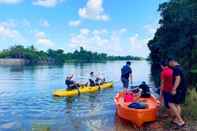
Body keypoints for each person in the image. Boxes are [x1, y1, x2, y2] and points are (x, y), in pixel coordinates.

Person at [168, 58, 187, 127]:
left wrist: (174, 89)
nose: (169, 65)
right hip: (182, 89)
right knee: (177, 104)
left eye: (169, 63)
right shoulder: (181, 68)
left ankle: (181, 121)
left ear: (172, 61)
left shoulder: (176, 69)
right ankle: (176, 119)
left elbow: (178, 79)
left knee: (170, 103)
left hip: (178, 90)